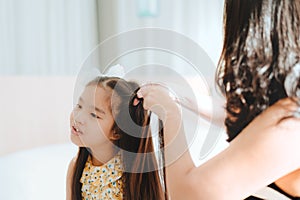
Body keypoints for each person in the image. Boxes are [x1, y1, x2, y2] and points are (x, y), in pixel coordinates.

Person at [136, 0, 300, 199]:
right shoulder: (285, 112)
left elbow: (187, 195)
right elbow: (247, 117)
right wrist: (180, 96)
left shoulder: (290, 123)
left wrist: (170, 114)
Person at [66, 76, 168, 200]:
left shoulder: (132, 178)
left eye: (93, 115)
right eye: (79, 106)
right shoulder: (77, 167)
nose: (78, 118)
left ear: (116, 131)